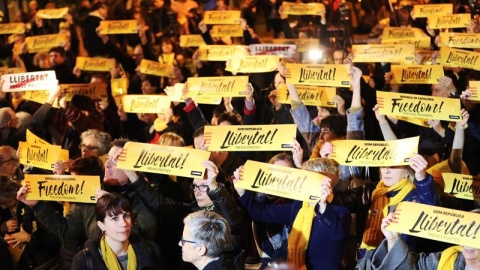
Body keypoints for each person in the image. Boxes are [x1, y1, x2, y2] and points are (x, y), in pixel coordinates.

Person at [234, 158, 351, 270]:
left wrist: (323, 205)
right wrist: (242, 191)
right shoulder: (298, 207)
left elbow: (337, 233)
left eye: (306, 177)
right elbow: (260, 212)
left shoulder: (340, 212)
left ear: (324, 180)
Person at [72, 193, 160, 270]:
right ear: (101, 225)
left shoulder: (151, 251)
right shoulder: (84, 260)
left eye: (126, 216)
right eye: (115, 218)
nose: (123, 224)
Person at [371, 210, 480, 269]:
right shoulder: (448, 258)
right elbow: (412, 266)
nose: (469, 242)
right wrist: (393, 239)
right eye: (466, 233)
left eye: (476, 236)